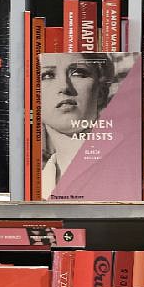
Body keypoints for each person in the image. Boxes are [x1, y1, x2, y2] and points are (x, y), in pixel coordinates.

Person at [38, 49, 118, 193]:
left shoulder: (130, 159)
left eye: (78, 73)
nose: (64, 86)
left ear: (101, 92)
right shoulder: (40, 185)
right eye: (47, 75)